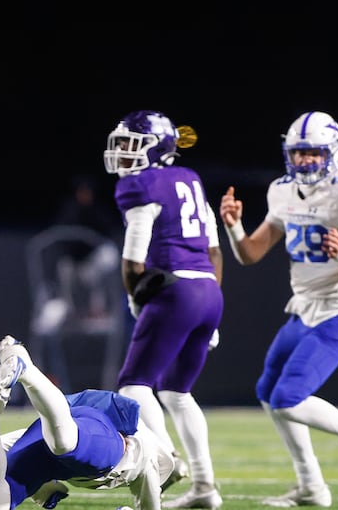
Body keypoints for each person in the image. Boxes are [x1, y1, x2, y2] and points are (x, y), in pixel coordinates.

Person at [218, 110, 338, 507]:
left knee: (288, 396)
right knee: (268, 392)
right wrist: (233, 226)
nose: (305, 160)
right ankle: (311, 486)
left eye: (314, 152)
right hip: (303, 309)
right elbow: (250, 254)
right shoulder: (282, 191)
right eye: (299, 152)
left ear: (334, 152)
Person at [103, 110, 224, 509]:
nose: (122, 151)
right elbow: (214, 251)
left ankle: (167, 459)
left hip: (174, 291)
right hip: (209, 292)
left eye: (131, 144)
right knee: (177, 392)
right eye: (121, 143)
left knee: (133, 385)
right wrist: (208, 303)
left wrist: (136, 300)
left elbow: (133, 261)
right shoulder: (190, 178)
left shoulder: (139, 185)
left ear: (157, 147)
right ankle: (205, 488)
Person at [0, 334, 175, 510]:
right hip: (97, 436)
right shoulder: (146, 458)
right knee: (64, 445)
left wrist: (42, 488)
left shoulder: (148, 458)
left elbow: (3, 445)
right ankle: (26, 368)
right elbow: (150, 495)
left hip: (55, 445)